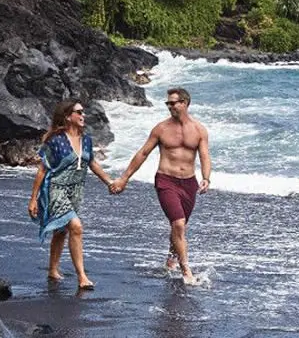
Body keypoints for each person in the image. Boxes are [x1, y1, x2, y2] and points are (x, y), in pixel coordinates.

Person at [111, 87, 212, 284]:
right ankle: (186, 270)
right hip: (166, 180)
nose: (169, 106)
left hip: (189, 183)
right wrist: (124, 178)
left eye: (173, 103)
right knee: (179, 224)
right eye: (168, 103)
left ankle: (171, 258)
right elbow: (143, 153)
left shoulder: (199, 130)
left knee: (179, 226)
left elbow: (205, 155)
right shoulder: (161, 129)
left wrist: (206, 178)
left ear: (184, 103)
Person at [28, 100, 119, 289]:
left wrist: (109, 182)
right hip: (56, 188)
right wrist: (33, 199)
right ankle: (82, 277)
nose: (83, 115)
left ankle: (53, 269)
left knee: (61, 230)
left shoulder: (86, 140)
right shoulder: (55, 140)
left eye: (83, 112)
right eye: (79, 112)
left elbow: (92, 164)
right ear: (68, 116)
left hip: (76, 190)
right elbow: (42, 171)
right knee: (76, 227)